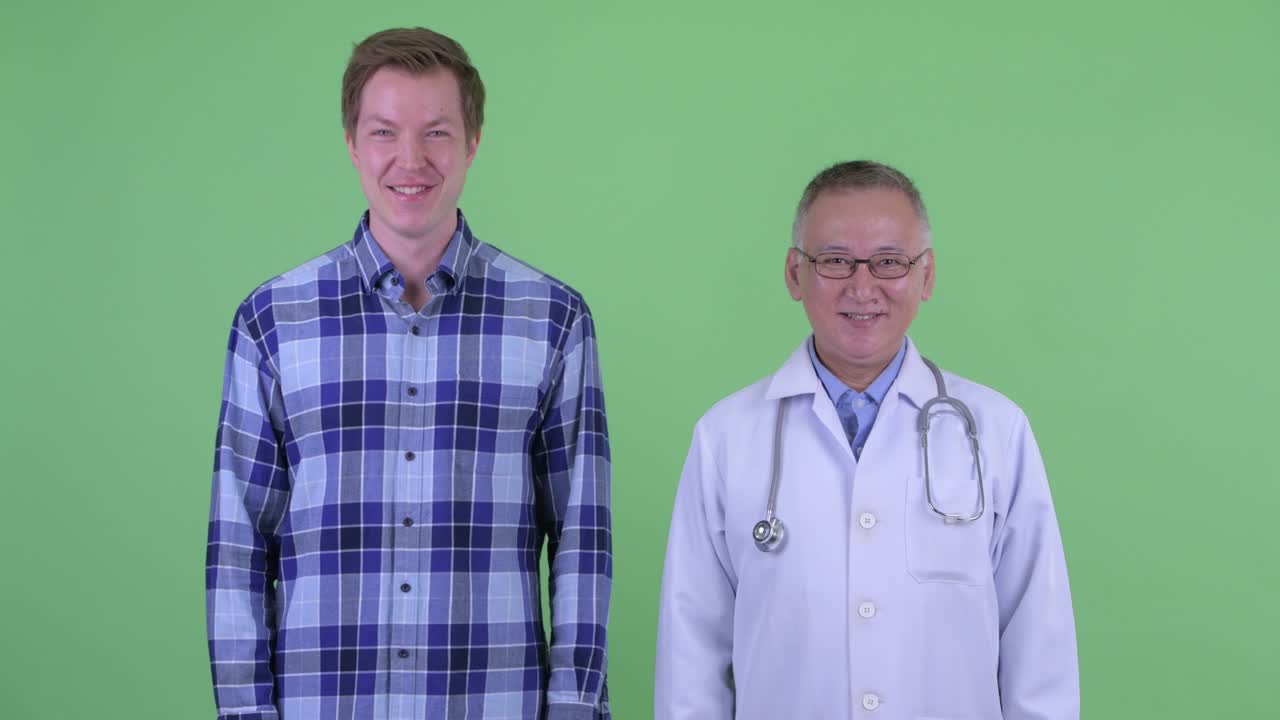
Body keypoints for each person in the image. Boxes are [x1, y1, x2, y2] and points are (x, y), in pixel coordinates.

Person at [206, 27, 611, 720]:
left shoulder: (554, 319)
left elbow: (581, 543)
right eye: (384, 132)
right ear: (351, 142)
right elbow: (240, 545)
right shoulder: (272, 320)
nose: (410, 159)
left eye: (437, 133)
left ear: (473, 141)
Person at [654, 160, 1078, 719]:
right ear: (793, 274)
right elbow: (691, 654)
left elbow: (1039, 649)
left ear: (925, 276)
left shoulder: (996, 431)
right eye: (833, 261)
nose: (862, 286)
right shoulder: (726, 437)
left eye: (889, 262)